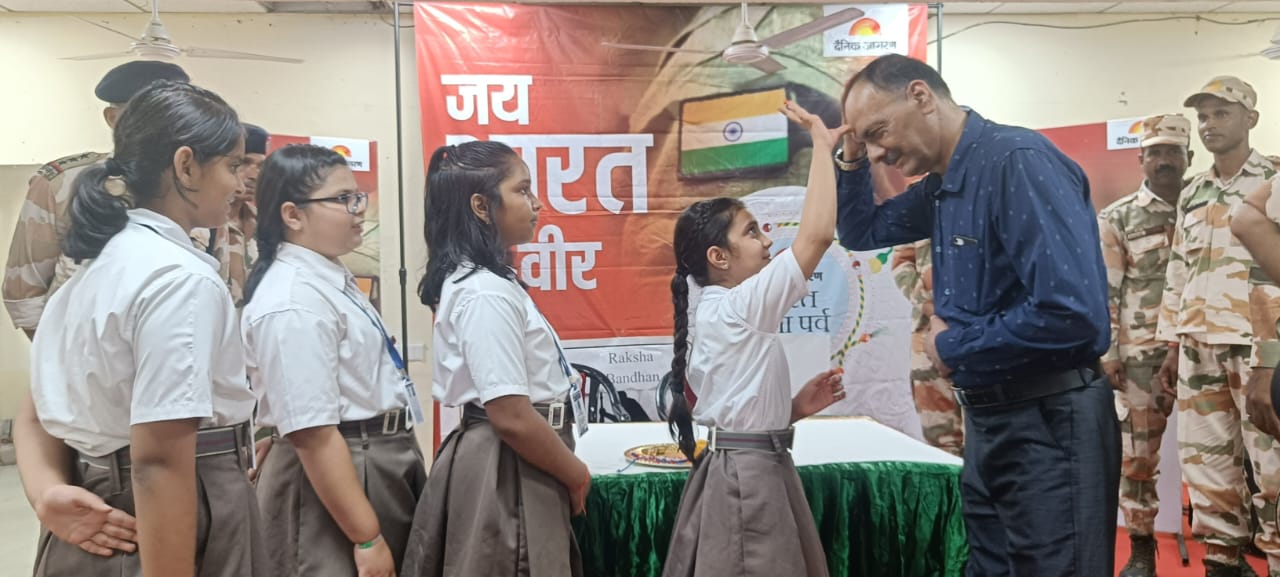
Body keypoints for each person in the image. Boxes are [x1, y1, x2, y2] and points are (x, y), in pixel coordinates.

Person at [835, 54, 1118, 576]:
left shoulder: (1016, 160)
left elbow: (1073, 315)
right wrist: (848, 157)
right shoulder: (945, 181)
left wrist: (951, 346)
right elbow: (861, 232)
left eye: (877, 132)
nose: (877, 153)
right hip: (990, 420)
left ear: (921, 96)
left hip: (1050, 421)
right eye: (865, 142)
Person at [15, 80, 265, 577]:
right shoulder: (178, 277)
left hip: (95, 509)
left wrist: (45, 493)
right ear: (186, 165)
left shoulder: (92, 268)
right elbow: (160, 461)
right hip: (173, 513)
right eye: (233, 165)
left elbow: (36, 415)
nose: (241, 183)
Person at [660, 100, 847, 577]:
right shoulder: (738, 306)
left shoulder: (720, 308)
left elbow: (736, 406)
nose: (767, 242)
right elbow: (818, 235)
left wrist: (792, 409)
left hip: (750, 464)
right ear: (719, 257)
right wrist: (822, 147)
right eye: (753, 232)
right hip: (749, 476)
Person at [401, 140, 592, 577]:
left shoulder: (488, 281)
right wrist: (576, 473)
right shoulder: (485, 292)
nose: (536, 203)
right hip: (509, 462)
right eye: (522, 190)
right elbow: (510, 415)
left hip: (514, 455)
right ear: (481, 206)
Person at [241, 144, 426, 577]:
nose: (358, 209)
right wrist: (367, 537)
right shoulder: (293, 301)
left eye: (357, 196)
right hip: (344, 465)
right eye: (343, 199)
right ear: (293, 215)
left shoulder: (326, 277)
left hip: (372, 458)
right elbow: (311, 434)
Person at [1155, 76, 1280, 577]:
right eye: (1203, 116)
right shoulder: (1193, 191)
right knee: (1206, 470)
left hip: (1256, 350)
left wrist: (1271, 360)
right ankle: (1223, 564)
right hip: (1198, 346)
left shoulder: (1271, 182)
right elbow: (1178, 270)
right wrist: (1170, 343)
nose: (1209, 125)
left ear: (1250, 118)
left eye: (1221, 114)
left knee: (1271, 469)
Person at [3, 60, 190, 338]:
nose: (163, 126)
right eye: (147, 115)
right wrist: (66, 368)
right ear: (113, 118)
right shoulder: (61, 184)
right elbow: (26, 296)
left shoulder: (200, 180)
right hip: (82, 363)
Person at [1097, 114, 1193, 577]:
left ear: (1188, 157)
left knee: (1223, 453)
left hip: (1203, 348)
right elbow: (1107, 290)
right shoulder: (1118, 217)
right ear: (1140, 160)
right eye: (1155, 152)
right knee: (1138, 458)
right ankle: (1140, 547)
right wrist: (1108, 352)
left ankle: (1227, 553)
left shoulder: (1206, 208)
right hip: (1140, 356)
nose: (1164, 160)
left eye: (1173, 152)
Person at [892, 239, 964, 457]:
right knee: (939, 445)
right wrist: (931, 310)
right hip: (927, 332)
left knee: (984, 442)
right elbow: (901, 261)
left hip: (979, 329)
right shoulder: (915, 205)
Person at [191, 122, 267, 307]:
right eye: (243, 163)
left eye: (261, 165)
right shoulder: (200, 226)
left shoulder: (264, 223)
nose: (254, 175)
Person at [1231, 172, 1280, 435]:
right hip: (1205, 341)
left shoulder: (1266, 170)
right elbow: (1248, 222)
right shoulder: (1191, 193)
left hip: (1252, 343)